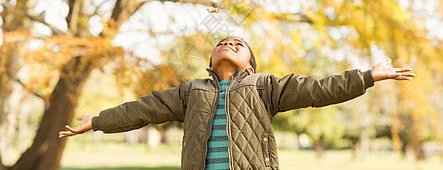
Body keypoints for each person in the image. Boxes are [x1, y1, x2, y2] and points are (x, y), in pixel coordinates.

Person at [59, 36, 415, 169]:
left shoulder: (265, 86)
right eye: (221, 43)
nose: (228, 43)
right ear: (211, 61)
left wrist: (367, 76)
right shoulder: (191, 91)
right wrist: (99, 120)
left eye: (237, 43)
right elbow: (142, 109)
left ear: (250, 63)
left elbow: (318, 89)